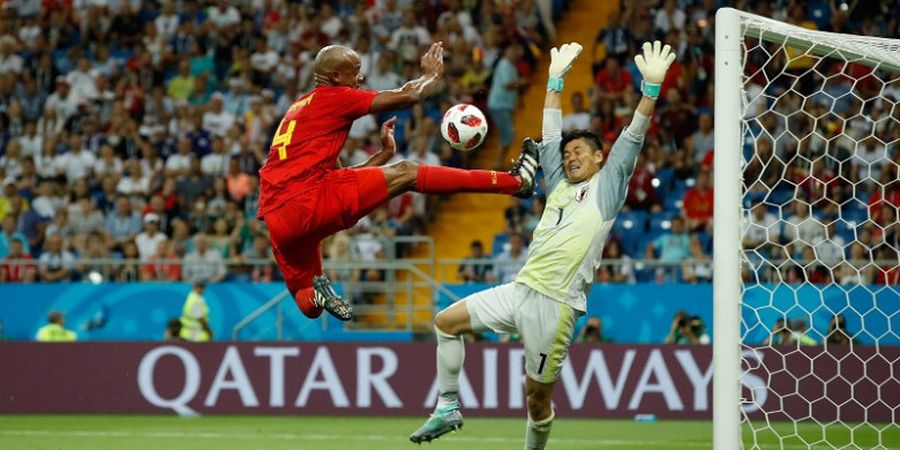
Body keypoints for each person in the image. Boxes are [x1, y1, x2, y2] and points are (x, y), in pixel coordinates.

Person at [409, 41, 676, 448]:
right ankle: (447, 406)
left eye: (580, 152)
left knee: (536, 400)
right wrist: (554, 80)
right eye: (567, 154)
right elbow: (551, 131)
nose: (570, 157)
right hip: (521, 289)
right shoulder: (559, 185)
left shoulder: (608, 185)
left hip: (555, 305)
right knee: (446, 323)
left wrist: (650, 90)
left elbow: (633, 136)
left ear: (601, 158)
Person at [258, 42, 539, 322]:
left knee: (306, 295)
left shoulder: (297, 109)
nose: (361, 78)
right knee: (407, 172)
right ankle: (515, 181)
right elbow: (409, 96)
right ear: (335, 77)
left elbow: (344, 179)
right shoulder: (334, 96)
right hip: (306, 201)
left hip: (277, 217)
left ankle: (320, 295)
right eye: (355, 72)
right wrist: (431, 75)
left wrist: (383, 155)